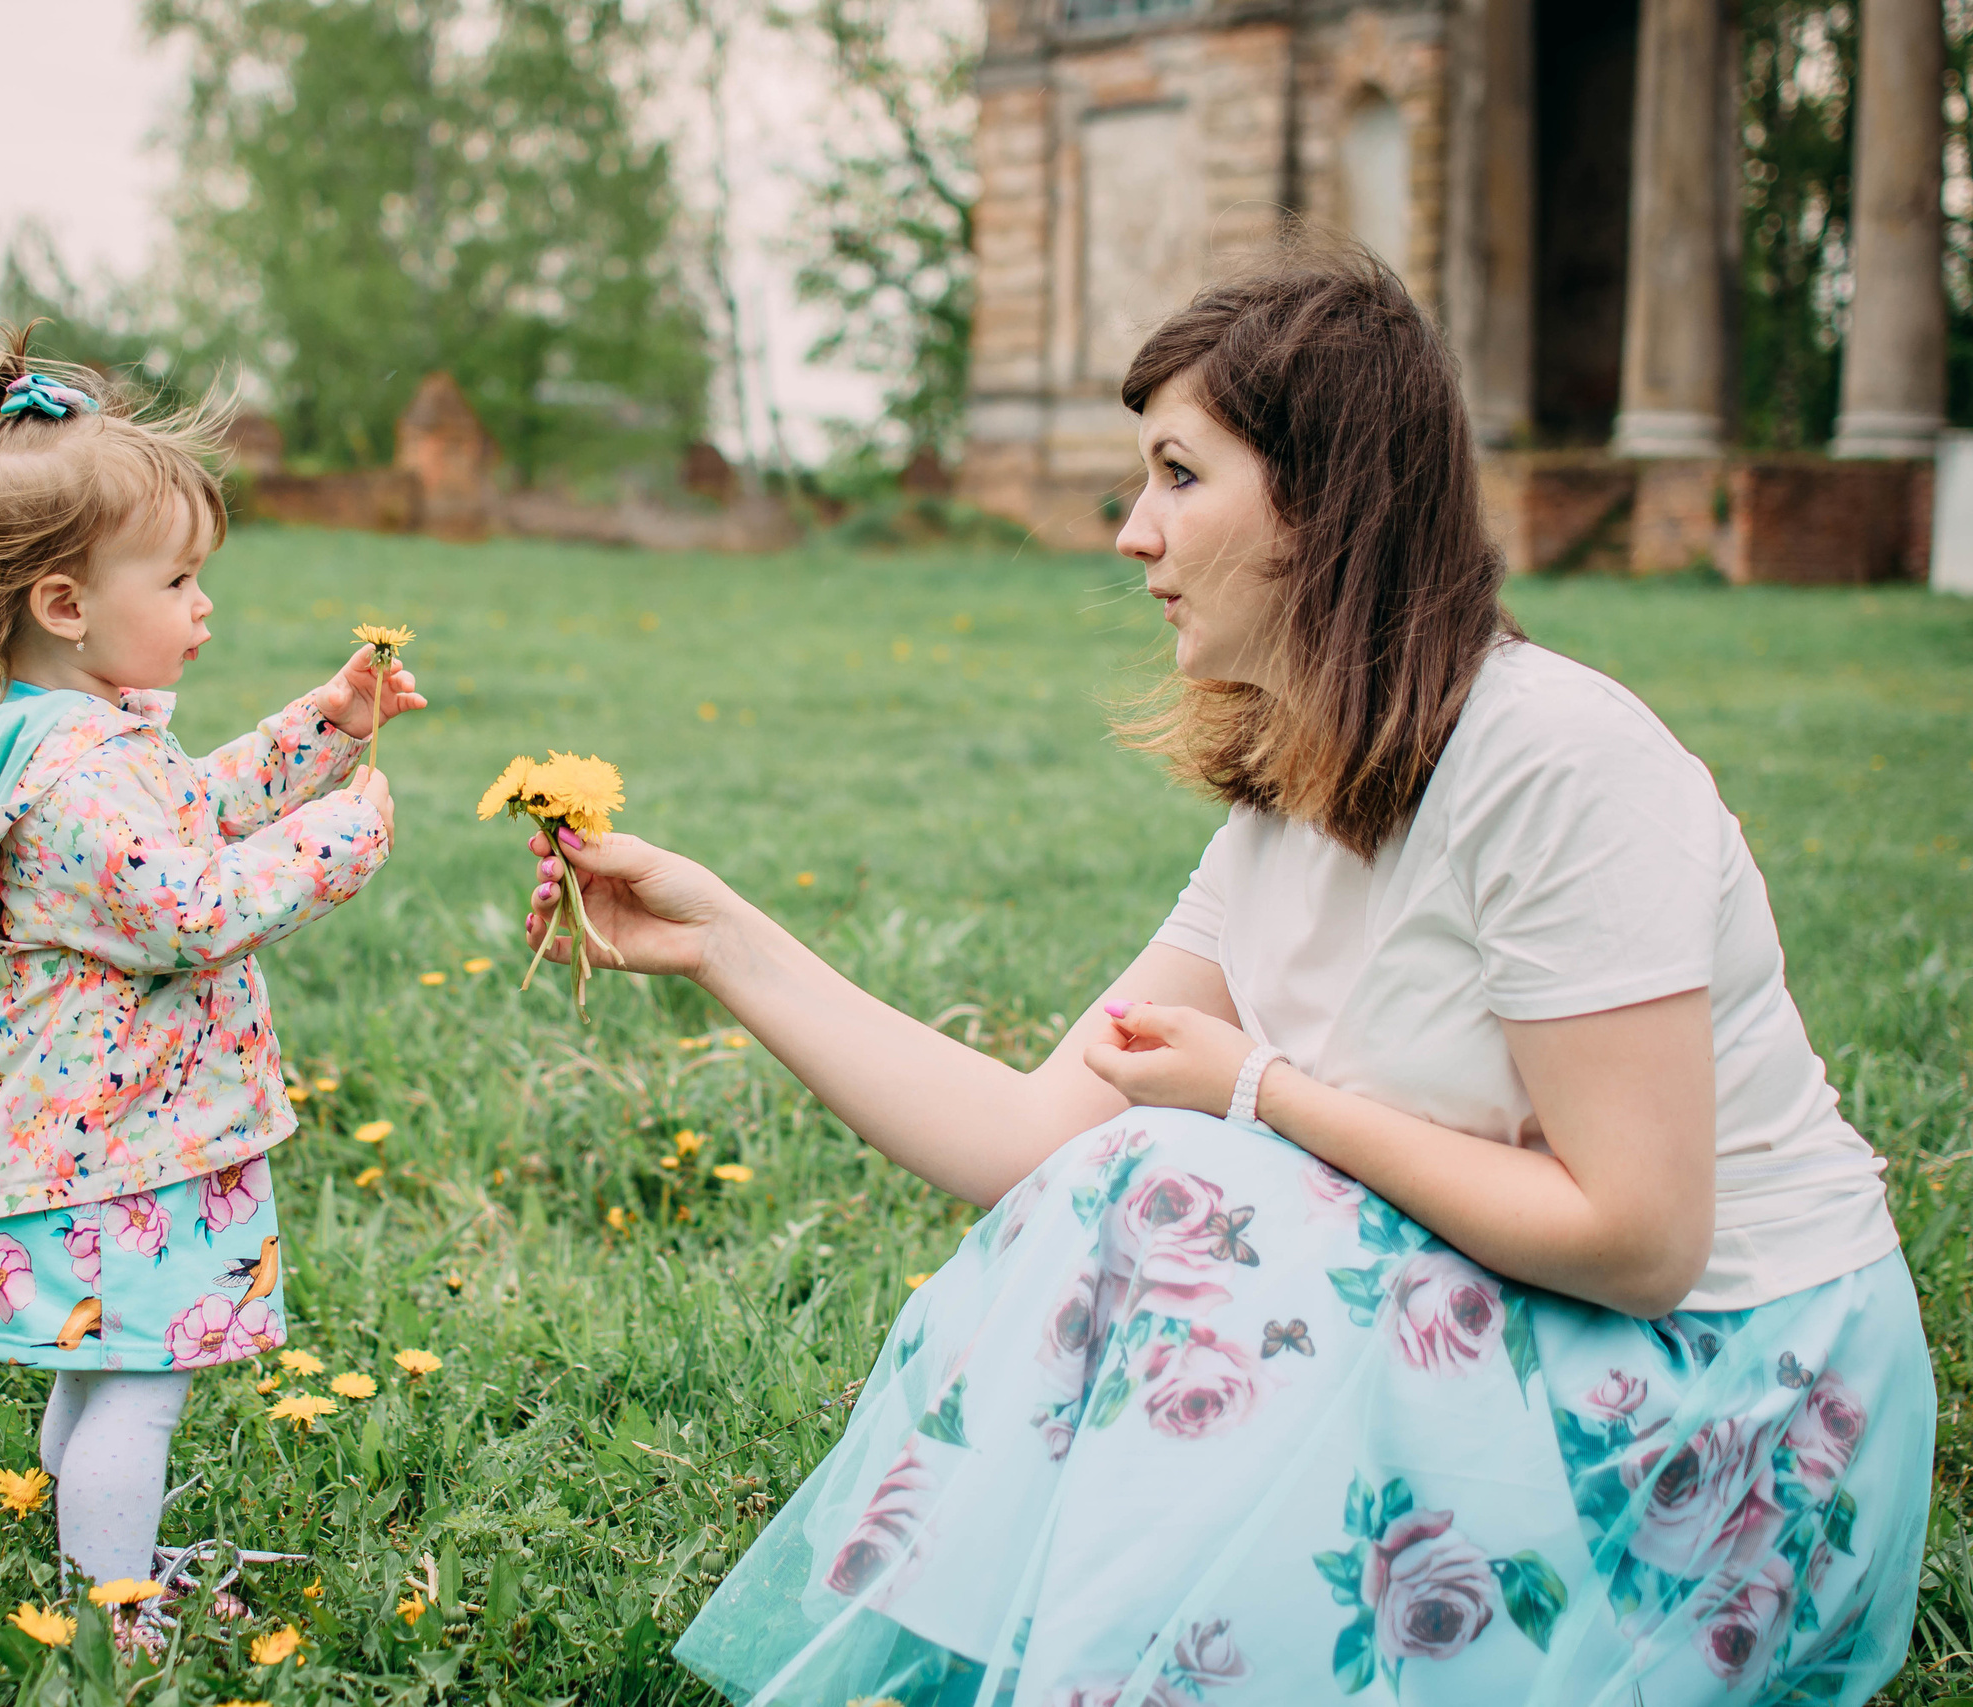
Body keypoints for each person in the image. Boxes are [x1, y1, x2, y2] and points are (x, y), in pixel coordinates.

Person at [518, 252, 1933, 1705]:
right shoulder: (1290, 809)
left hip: (1734, 1403)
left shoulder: (1559, 763)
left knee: (1186, 1185)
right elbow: (1027, 1140)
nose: (1135, 533)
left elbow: (1639, 1240)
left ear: (1327, 502)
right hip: (1518, 1339)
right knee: (1132, 1181)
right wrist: (719, 938)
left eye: (1180, 476)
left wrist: (1261, 1092)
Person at [0, 324, 422, 1599]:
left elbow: (191, 810)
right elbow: (189, 908)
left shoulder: (61, 738)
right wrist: (338, 839)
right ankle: (114, 1609)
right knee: (141, 1386)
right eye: (180, 580)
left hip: (94, 1132)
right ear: (66, 606)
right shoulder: (79, 776)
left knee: (103, 1370)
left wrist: (323, 729)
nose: (204, 606)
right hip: (127, 1143)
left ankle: (100, 1560)